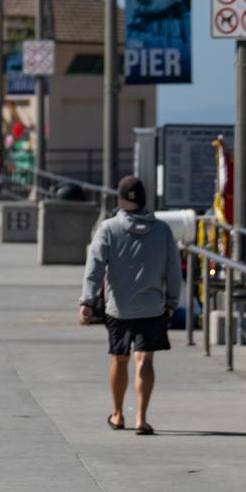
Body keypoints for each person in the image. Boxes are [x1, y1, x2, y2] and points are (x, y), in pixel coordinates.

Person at [79, 176, 182, 436]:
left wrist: (88, 301)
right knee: (145, 358)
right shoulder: (162, 230)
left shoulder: (108, 228)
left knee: (119, 358)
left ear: (121, 200)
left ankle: (117, 413)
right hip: (152, 306)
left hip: (119, 307)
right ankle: (142, 419)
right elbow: (173, 270)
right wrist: (171, 302)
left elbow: (95, 267)